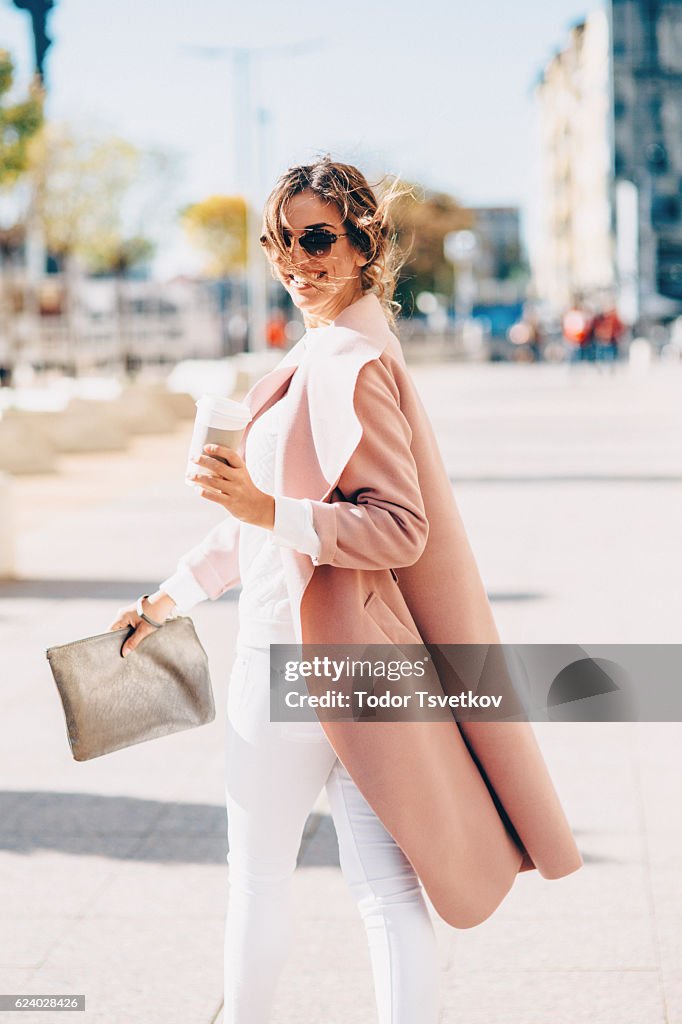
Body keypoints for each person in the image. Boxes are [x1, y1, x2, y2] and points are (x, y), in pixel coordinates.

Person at [109, 157, 581, 1023]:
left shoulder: (350, 361)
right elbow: (263, 526)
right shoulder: (337, 353)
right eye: (279, 240)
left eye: (318, 237)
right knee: (385, 894)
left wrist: (264, 504)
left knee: (262, 885)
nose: (296, 259)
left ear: (367, 244)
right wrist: (171, 596)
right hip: (358, 665)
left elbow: (399, 528)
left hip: (291, 664)